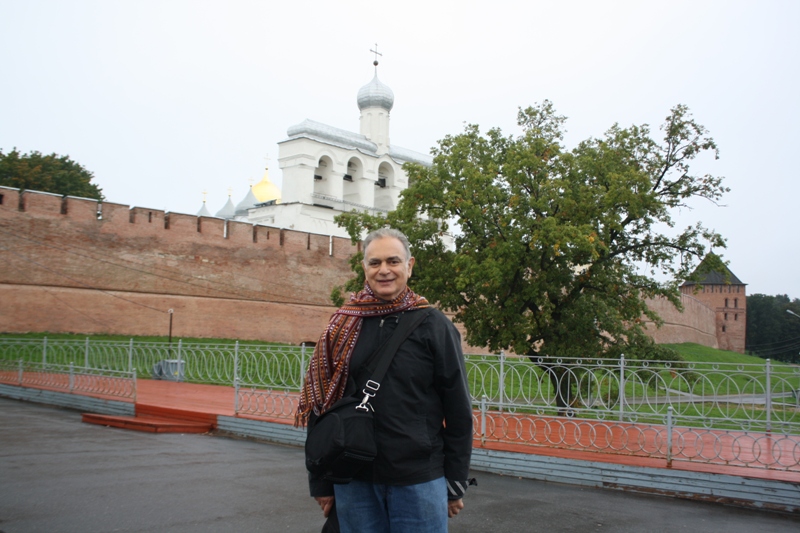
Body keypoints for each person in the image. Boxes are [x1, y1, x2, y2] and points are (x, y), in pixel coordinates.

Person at [296, 228, 474, 533]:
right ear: (364, 268)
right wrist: (321, 480)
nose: (384, 270)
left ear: (410, 265)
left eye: (393, 261)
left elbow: (458, 408)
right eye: (375, 262)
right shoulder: (343, 324)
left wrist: (455, 480)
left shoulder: (433, 326)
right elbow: (322, 405)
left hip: (418, 478)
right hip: (354, 478)